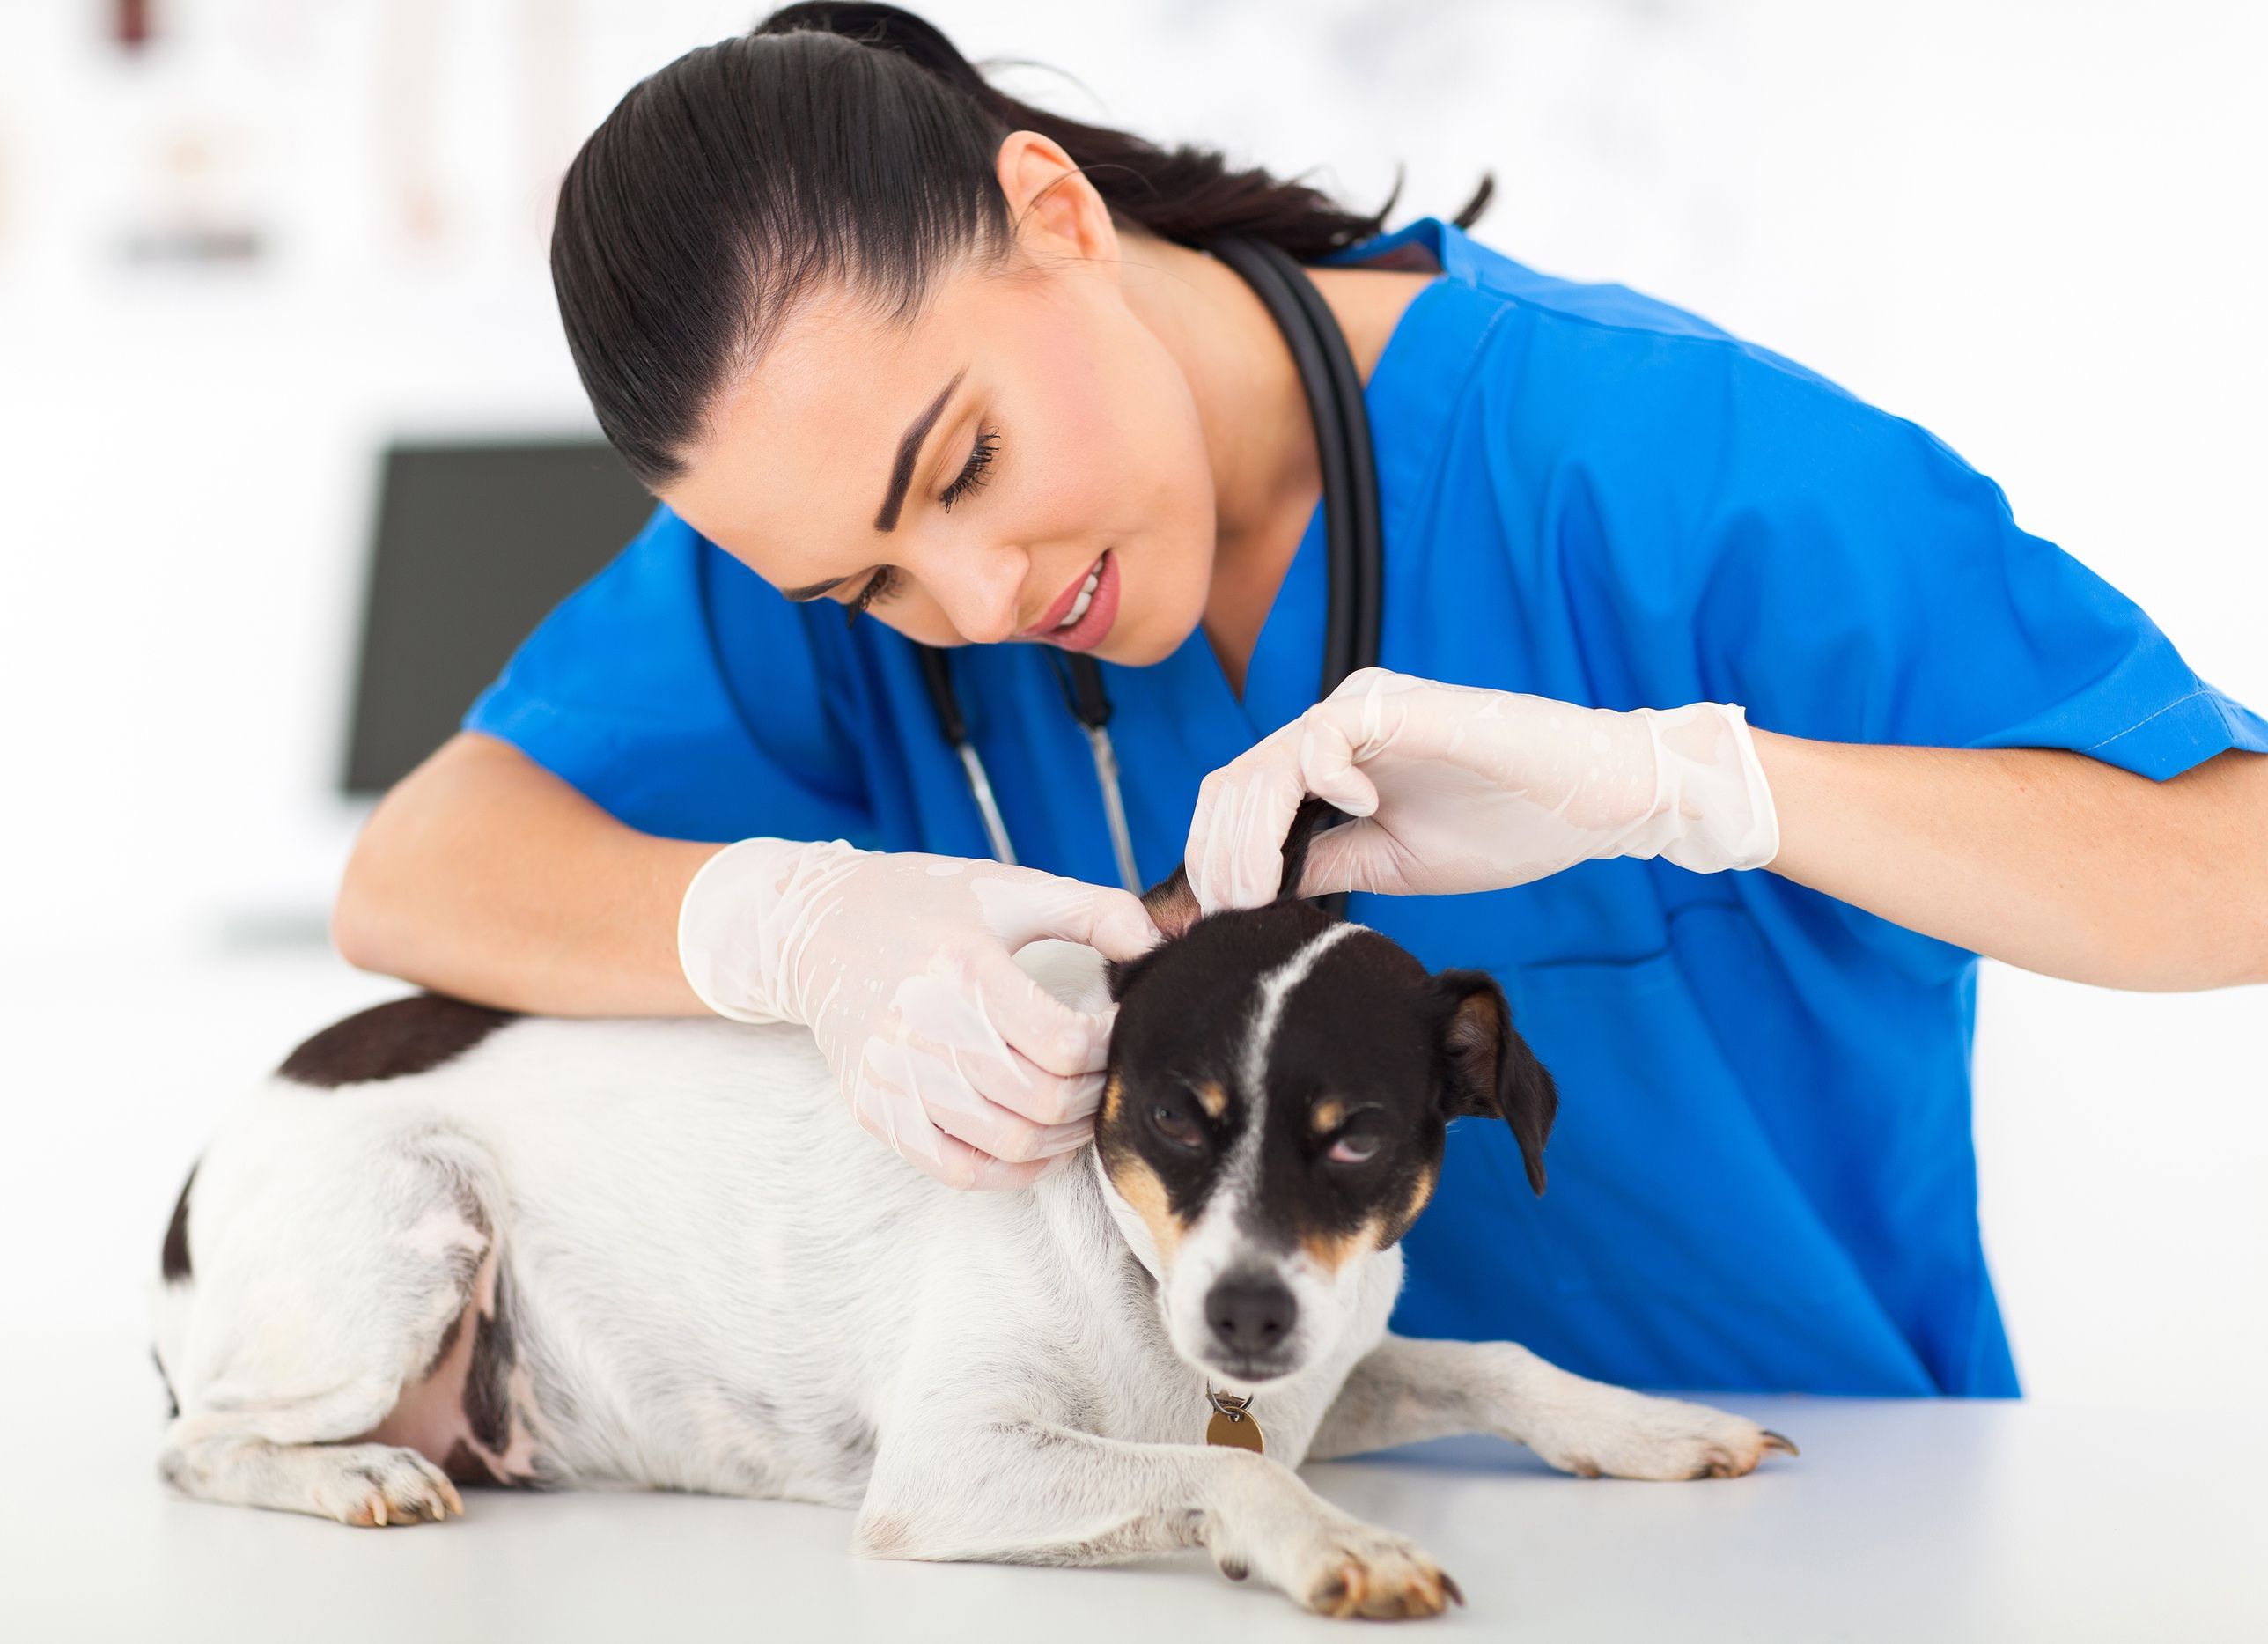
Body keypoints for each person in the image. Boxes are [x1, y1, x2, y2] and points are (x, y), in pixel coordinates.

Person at [335, 4, 2268, 1398]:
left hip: (1790, 1523)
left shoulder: (1633, 454)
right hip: (1216, 1533)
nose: (978, 599)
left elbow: (2232, 863)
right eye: (867, 583)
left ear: (1057, 213)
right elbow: (418, 872)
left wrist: (1693, 789)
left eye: (971, 465)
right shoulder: (839, 557)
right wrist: (781, 924)